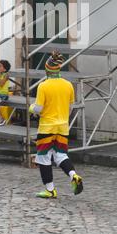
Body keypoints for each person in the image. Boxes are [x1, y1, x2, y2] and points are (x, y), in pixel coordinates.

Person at [29, 51, 83, 199]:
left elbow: (39, 109)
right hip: (63, 126)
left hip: (47, 127)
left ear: (47, 70)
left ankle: (50, 190)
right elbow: (71, 107)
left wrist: (31, 107)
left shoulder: (43, 86)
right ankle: (73, 175)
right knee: (60, 155)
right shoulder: (68, 85)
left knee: (43, 158)